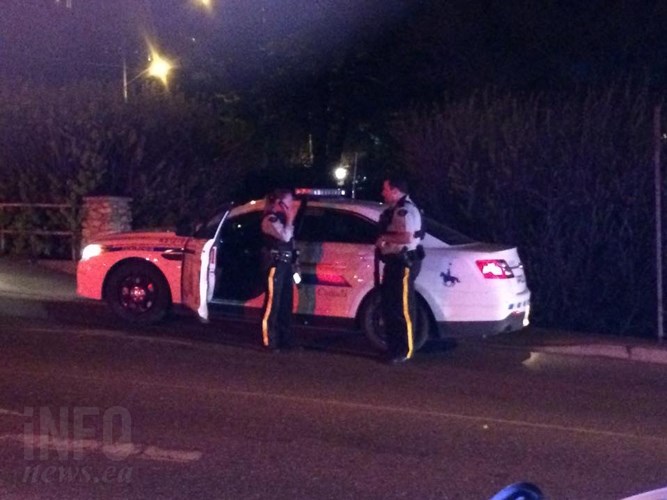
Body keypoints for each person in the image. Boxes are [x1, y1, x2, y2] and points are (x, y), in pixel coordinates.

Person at [375, 176, 425, 364]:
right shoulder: (398, 209)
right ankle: (394, 348)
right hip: (396, 263)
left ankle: (404, 350)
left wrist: (383, 238)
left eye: (385, 189)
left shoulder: (404, 210)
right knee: (392, 306)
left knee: (402, 308)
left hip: (403, 263)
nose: (383, 192)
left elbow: (405, 237)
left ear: (395, 191)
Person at [260, 188, 299, 352]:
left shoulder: (281, 219)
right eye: (289, 203)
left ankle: (285, 340)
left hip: (286, 266)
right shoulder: (270, 219)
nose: (291, 207)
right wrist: (290, 220)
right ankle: (270, 340)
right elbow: (285, 236)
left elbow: (291, 242)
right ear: (279, 203)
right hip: (275, 266)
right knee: (272, 304)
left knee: (285, 303)